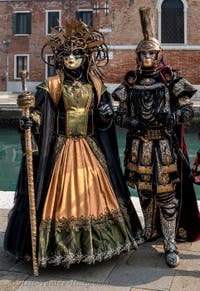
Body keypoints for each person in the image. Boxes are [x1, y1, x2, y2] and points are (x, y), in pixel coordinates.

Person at [4, 19, 143, 269]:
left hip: (90, 148)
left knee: (95, 193)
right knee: (59, 194)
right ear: (60, 58)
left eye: (76, 54)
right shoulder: (52, 86)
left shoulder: (96, 85)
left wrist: (106, 115)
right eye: (66, 54)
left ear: (85, 57)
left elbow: (103, 117)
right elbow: (39, 114)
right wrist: (29, 120)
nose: (70, 59)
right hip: (62, 148)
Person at [114, 7, 200, 268]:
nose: (148, 57)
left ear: (158, 54)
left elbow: (187, 110)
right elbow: (120, 115)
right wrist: (132, 121)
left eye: (152, 53)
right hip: (139, 145)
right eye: (143, 53)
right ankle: (150, 231)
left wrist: (173, 117)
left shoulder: (169, 79)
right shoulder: (130, 82)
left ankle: (170, 242)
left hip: (164, 146)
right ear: (138, 56)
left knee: (166, 194)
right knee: (145, 192)